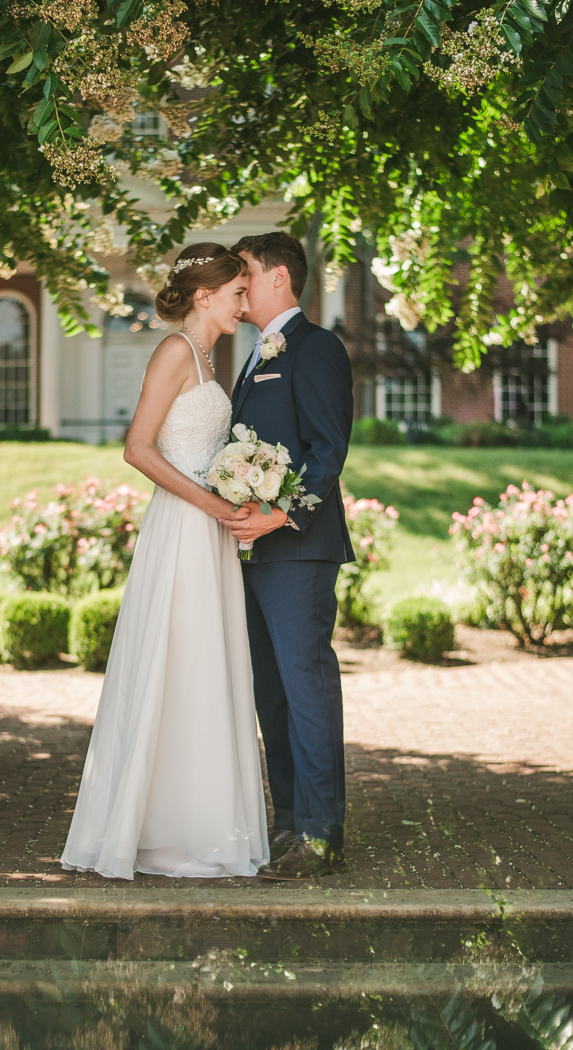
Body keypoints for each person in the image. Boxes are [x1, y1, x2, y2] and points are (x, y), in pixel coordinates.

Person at [60, 243, 269, 879]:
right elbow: (138, 449)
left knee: (202, 667)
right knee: (174, 662)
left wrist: (240, 491)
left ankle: (194, 822)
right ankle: (152, 831)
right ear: (204, 296)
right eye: (237, 292)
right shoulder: (177, 351)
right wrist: (213, 501)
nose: (244, 303)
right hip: (182, 529)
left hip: (208, 528)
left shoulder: (210, 357)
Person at [221, 232, 354, 880]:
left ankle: (322, 834)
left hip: (299, 552)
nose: (237, 283)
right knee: (269, 694)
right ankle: (285, 825)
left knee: (306, 691)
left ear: (278, 277)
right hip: (252, 555)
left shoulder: (316, 348)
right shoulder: (252, 356)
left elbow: (328, 448)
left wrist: (281, 513)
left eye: (244, 271)